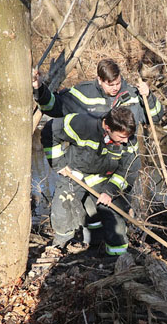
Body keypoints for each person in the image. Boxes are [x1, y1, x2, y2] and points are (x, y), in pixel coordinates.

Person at [41, 107, 140, 257]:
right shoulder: (83, 124)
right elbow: (50, 130)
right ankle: (58, 250)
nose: (126, 141)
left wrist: (110, 192)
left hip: (106, 180)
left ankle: (116, 257)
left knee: (115, 220)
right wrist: (58, 163)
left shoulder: (129, 140)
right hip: (74, 175)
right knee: (62, 213)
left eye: (128, 136)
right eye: (121, 137)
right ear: (108, 127)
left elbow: (129, 170)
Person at [33, 58, 165, 126]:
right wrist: (39, 88)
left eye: (118, 83)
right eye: (110, 85)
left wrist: (148, 97)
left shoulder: (133, 94)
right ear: (100, 80)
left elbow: (156, 117)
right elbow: (52, 107)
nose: (115, 88)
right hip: (94, 164)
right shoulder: (82, 93)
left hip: (126, 164)